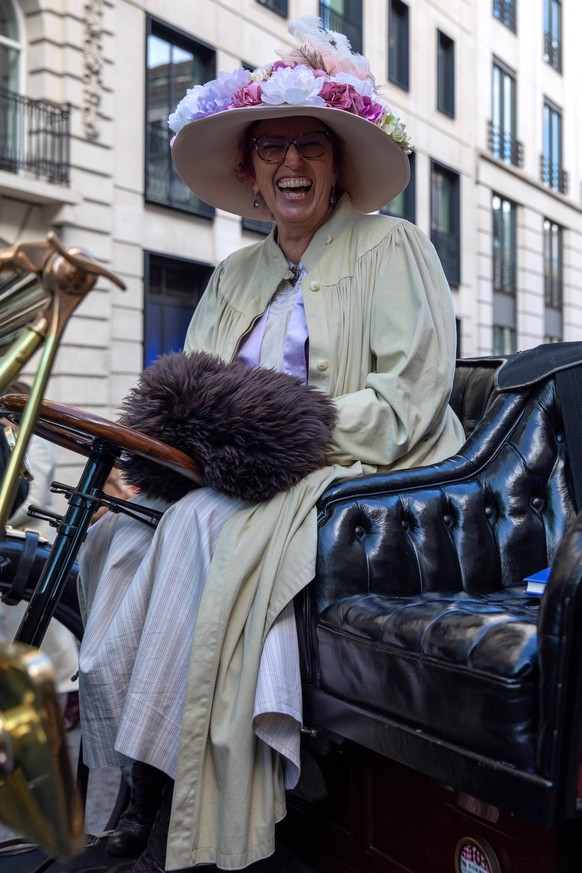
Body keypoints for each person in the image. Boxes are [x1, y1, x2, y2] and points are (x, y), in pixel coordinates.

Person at [75, 15, 465, 872]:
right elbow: (191, 391)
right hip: (227, 474)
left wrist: (280, 435)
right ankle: (130, 773)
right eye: (272, 146)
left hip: (355, 476)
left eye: (310, 145)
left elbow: (407, 400)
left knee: (198, 527)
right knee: (114, 537)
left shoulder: (394, 246)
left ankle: (171, 792)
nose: (292, 162)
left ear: (338, 165)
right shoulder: (233, 275)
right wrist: (163, 459)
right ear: (250, 171)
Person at [0, 379, 81, 729]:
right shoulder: (9, 440)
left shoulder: (34, 443)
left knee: (51, 635)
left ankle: (68, 697)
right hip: (13, 546)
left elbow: (31, 497)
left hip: (34, 546)